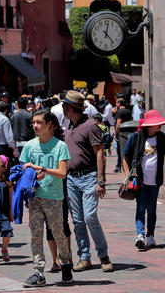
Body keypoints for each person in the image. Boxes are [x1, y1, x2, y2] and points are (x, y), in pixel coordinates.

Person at [19, 109, 73, 287]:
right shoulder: (29, 146)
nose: (35, 125)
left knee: (58, 233)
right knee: (36, 235)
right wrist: (28, 175)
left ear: (50, 125)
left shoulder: (60, 146)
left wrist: (42, 170)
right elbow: (24, 169)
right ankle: (38, 272)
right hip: (35, 197)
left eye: (39, 122)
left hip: (54, 197)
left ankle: (65, 263)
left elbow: (63, 173)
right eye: (34, 122)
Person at [62, 91, 114, 273]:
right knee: (77, 220)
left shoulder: (91, 125)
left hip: (89, 177)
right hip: (71, 178)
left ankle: (103, 255)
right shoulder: (68, 126)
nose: (63, 109)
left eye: (65, 106)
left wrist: (101, 180)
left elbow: (100, 153)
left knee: (90, 217)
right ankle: (84, 257)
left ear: (70, 108)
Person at [123, 110, 165, 249]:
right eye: (157, 124)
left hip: (155, 181)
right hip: (139, 180)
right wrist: (127, 176)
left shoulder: (161, 138)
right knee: (141, 207)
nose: (159, 126)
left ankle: (150, 237)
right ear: (149, 125)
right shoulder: (136, 137)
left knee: (152, 209)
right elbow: (125, 157)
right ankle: (140, 235)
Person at [113, 98, 132, 173]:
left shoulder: (120, 111)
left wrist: (116, 133)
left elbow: (118, 123)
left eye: (117, 103)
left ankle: (120, 166)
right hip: (127, 132)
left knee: (119, 150)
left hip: (121, 133)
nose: (116, 104)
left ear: (119, 103)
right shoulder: (128, 111)